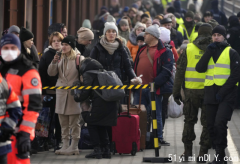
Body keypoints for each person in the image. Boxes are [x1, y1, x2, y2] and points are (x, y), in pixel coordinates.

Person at [196, 25, 240, 164]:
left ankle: (221, 156)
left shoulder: (231, 52)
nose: (216, 37)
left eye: (218, 35)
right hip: (210, 92)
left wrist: (222, 92)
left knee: (220, 123)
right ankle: (217, 153)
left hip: (227, 94)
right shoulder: (209, 51)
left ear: (224, 36)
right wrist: (208, 52)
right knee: (210, 125)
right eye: (214, 35)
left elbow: (235, 75)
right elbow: (199, 68)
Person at [173, 24, 213, 162]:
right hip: (209, 92)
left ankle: (188, 152)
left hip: (191, 92)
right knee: (207, 123)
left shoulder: (189, 48)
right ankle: (203, 154)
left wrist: (176, 91)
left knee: (189, 121)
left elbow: (180, 71)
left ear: (198, 33)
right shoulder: (215, 49)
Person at [0, 33, 42, 164]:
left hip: (17, 133)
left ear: (19, 49)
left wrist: (25, 133)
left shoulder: (28, 71)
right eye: (5, 48)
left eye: (13, 48)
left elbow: (33, 106)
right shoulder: (3, 70)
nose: (9, 51)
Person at [134, 25, 174, 146]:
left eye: (146, 34)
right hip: (139, 88)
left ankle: (158, 138)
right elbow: (135, 65)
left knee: (156, 114)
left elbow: (167, 71)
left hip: (154, 89)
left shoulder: (165, 51)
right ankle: (140, 137)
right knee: (139, 114)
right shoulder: (142, 49)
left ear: (152, 36)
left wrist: (155, 84)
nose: (143, 35)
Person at [48, 35, 84, 155]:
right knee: (63, 122)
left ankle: (74, 146)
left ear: (72, 47)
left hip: (74, 94)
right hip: (61, 93)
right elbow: (51, 73)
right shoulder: (59, 58)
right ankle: (64, 145)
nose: (63, 47)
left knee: (74, 122)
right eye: (63, 44)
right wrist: (53, 61)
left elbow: (84, 77)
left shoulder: (79, 59)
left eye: (66, 45)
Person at [79, 58, 120, 159]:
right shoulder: (105, 73)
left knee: (91, 123)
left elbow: (85, 93)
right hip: (112, 104)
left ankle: (97, 150)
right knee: (101, 125)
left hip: (100, 104)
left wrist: (77, 94)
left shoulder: (88, 74)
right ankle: (106, 150)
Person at [39, 32, 64, 152]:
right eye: (54, 41)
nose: (56, 43)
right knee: (46, 117)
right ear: (51, 43)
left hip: (62, 92)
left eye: (59, 41)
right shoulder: (46, 55)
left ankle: (58, 140)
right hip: (49, 91)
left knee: (59, 117)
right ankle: (45, 140)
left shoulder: (66, 54)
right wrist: (43, 91)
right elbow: (41, 73)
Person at [0, 74, 22, 164]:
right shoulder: (3, 82)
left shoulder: (3, 83)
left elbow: (15, 108)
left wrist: (7, 127)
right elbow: (16, 108)